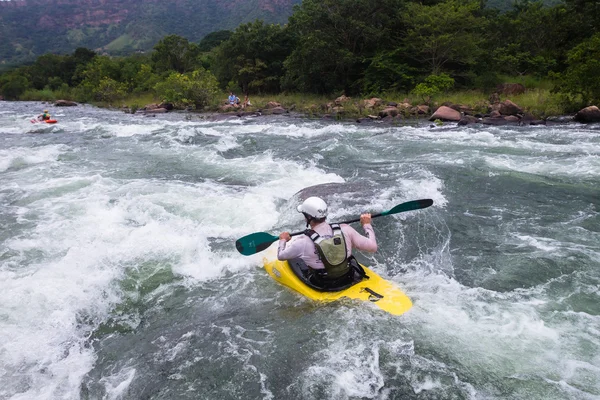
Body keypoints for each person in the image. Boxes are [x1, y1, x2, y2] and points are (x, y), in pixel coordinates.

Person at [277, 196, 377, 288]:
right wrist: (366, 224)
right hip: (348, 277)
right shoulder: (345, 229)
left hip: (323, 283)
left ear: (308, 217)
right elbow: (372, 247)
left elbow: (281, 256)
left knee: (293, 259)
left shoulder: (302, 242)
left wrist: (283, 240)